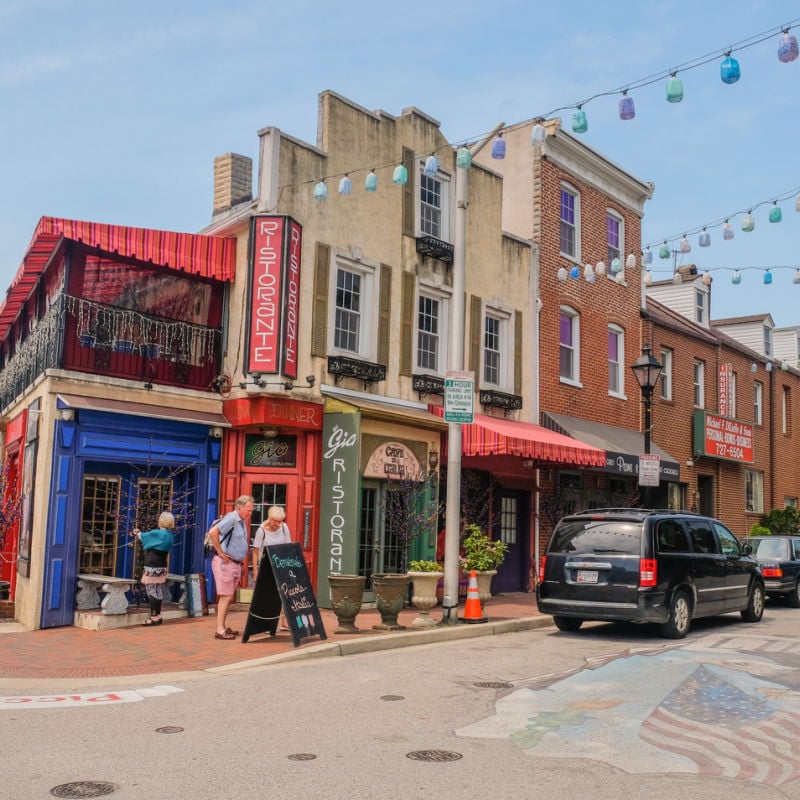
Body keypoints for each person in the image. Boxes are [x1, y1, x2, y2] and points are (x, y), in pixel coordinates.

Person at [208, 495, 252, 640]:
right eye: (248, 510)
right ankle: (220, 630)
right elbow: (213, 532)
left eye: (251, 511)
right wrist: (220, 552)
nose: (250, 513)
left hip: (235, 564)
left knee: (228, 597)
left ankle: (223, 626)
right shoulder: (231, 519)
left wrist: (241, 564)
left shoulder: (241, 522)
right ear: (239, 508)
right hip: (226, 564)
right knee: (225, 597)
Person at [251, 505, 292, 631]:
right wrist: (255, 571)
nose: (278, 524)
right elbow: (255, 552)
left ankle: (284, 622)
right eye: (276, 521)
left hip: (280, 565)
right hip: (266, 567)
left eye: (280, 521)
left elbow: (288, 547)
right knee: (268, 595)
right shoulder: (261, 530)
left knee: (284, 594)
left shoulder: (284, 528)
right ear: (270, 518)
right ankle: (268, 624)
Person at [133, 511, 175, 627]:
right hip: (162, 565)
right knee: (158, 590)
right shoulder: (170, 536)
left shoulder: (158, 533)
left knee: (151, 590)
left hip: (152, 564)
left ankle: (153, 616)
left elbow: (144, 537)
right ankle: (158, 615)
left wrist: (137, 532)